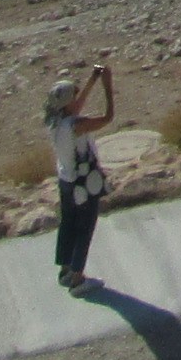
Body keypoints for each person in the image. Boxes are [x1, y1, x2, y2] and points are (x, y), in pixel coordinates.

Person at [47, 66, 116, 293]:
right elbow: (107, 118)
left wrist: (92, 79)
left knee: (68, 224)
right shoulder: (75, 126)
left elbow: (75, 107)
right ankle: (78, 279)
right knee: (85, 227)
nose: (78, 100)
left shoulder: (55, 121)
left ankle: (66, 270)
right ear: (68, 103)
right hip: (83, 183)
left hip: (66, 180)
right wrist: (107, 86)